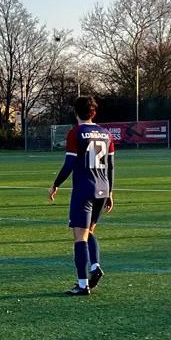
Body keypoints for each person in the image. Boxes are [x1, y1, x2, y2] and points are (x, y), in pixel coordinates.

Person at [47, 96, 115, 296]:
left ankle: (83, 284)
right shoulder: (106, 134)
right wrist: (110, 192)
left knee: (79, 237)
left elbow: (69, 164)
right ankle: (94, 266)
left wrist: (55, 184)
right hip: (102, 189)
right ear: (94, 113)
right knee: (89, 231)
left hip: (84, 189)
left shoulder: (76, 133)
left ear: (76, 112)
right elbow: (110, 166)